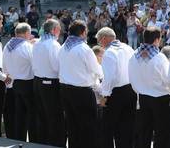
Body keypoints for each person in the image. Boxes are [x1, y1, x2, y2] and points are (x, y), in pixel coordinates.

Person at [58, 20, 104, 148]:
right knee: (88, 126)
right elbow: (97, 70)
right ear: (83, 33)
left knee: (72, 125)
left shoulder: (63, 48)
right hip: (82, 92)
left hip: (65, 90)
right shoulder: (84, 49)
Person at [129, 27, 170, 148]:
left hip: (142, 97)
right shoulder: (159, 57)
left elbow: (131, 78)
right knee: (162, 132)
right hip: (160, 98)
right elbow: (168, 80)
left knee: (144, 132)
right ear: (157, 40)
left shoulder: (134, 56)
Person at [99, 28, 136, 148]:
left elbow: (109, 78)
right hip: (130, 90)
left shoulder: (109, 52)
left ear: (104, 38)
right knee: (126, 125)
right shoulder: (128, 48)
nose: (100, 44)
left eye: (99, 40)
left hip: (115, 93)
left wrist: (105, 95)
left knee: (107, 127)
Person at [32, 19, 66, 146]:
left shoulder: (37, 42)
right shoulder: (52, 44)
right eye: (58, 29)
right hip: (49, 83)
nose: (60, 31)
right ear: (53, 30)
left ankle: (44, 142)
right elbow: (57, 67)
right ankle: (56, 143)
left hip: (38, 81)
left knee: (42, 115)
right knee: (54, 115)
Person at [3, 23, 38, 142]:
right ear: (27, 33)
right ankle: (34, 140)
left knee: (20, 115)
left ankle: (19, 140)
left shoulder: (8, 45)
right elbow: (35, 65)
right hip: (27, 82)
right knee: (32, 114)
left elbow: (4, 66)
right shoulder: (26, 46)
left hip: (14, 83)